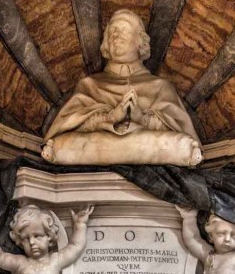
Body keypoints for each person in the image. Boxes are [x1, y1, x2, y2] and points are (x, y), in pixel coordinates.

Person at [42, 9, 201, 165]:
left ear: (140, 41)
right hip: (97, 142)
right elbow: (69, 125)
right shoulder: (90, 84)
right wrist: (109, 118)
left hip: (145, 141)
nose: (116, 35)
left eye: (123, 29)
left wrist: (142, 119)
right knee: (62, 143)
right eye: (112, 31)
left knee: (176, 142)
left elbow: (179, 127)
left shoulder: (159, 86)